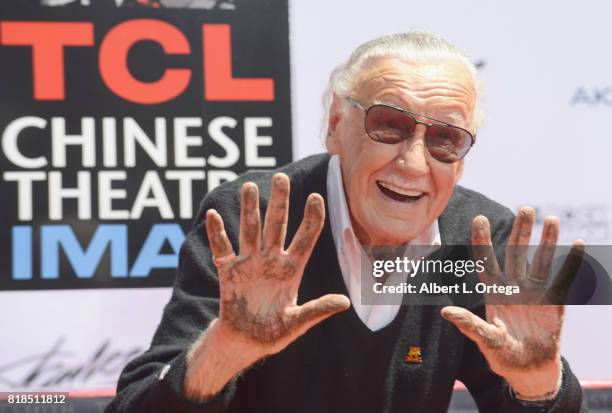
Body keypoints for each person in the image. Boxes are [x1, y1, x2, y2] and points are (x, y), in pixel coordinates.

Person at [106, 32, 586, 412]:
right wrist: (226, 350)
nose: (414, 163)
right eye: (389, 125)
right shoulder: (254, 219)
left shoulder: (482, 242)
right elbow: (137, 404)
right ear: (335, 124)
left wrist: (538, 385)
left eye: (445, 137)